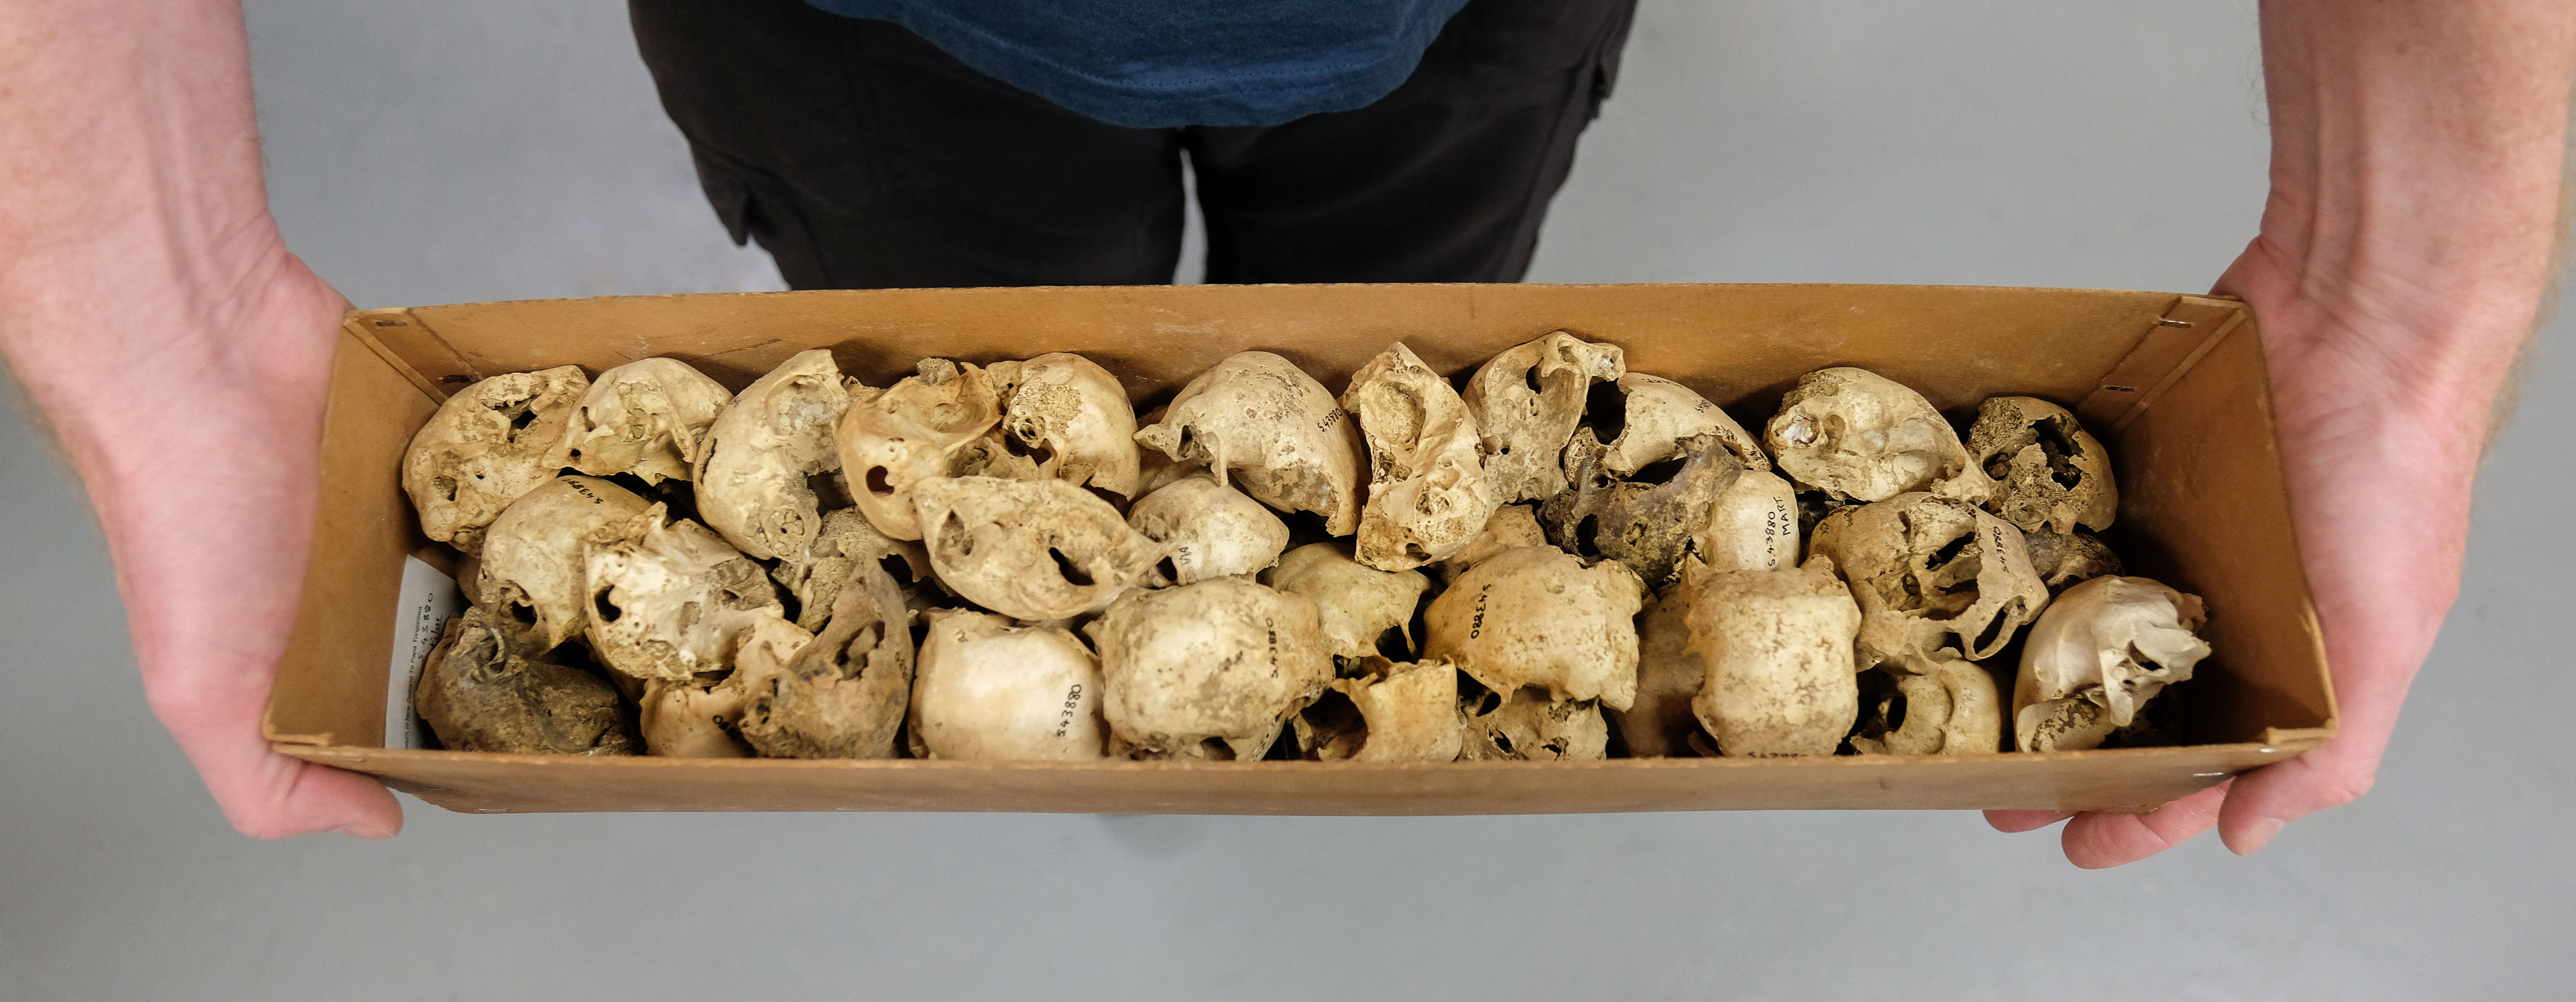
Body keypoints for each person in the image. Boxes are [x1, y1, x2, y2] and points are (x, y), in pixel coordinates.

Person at [0, 0, 2563, 868]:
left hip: (1463, 8)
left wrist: (2395, 277)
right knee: (935, 312)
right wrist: (148, 283)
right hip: (859, 30)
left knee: (1439, 290)